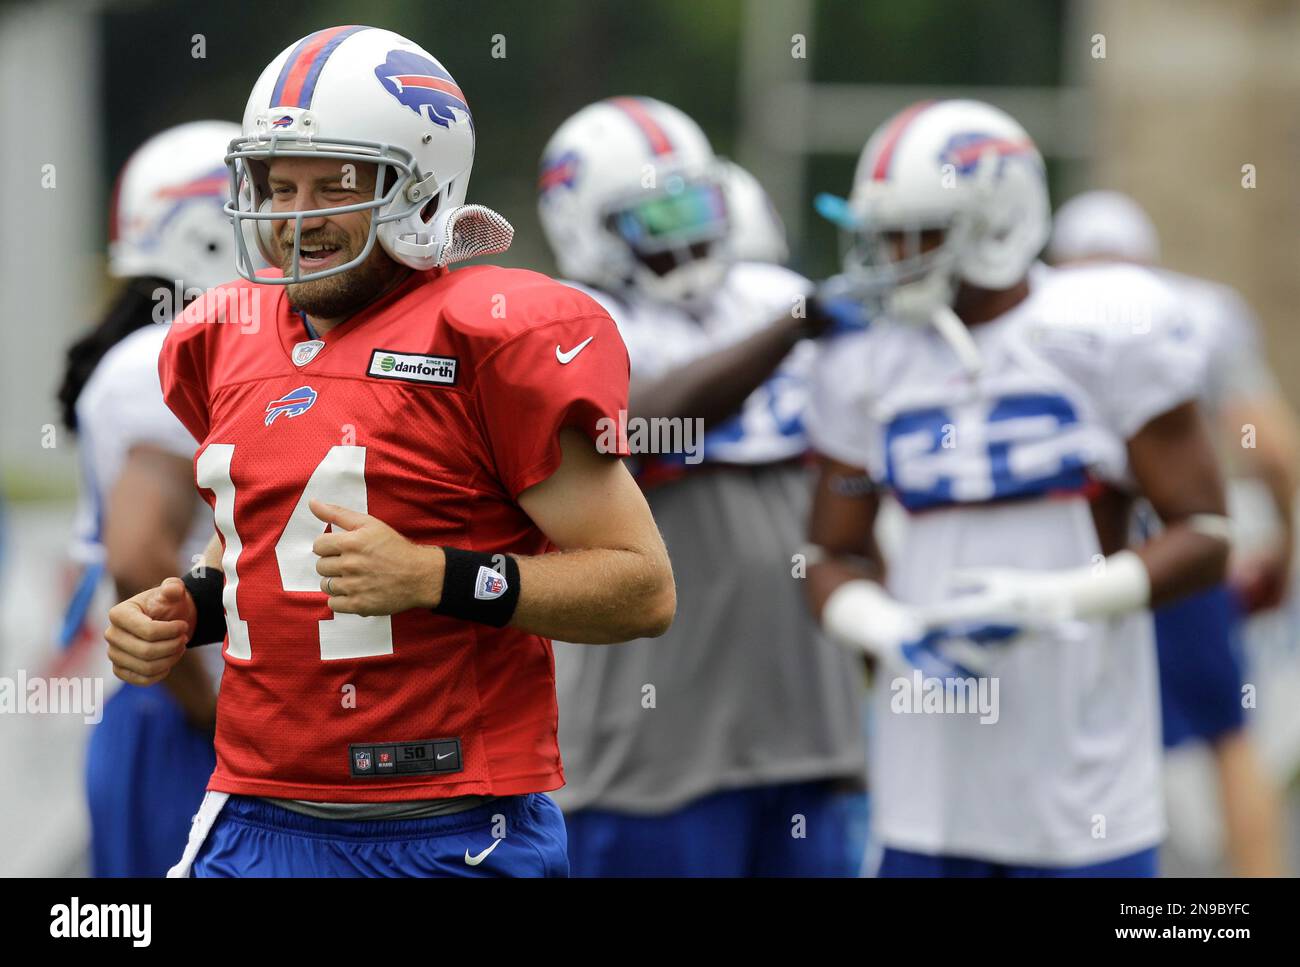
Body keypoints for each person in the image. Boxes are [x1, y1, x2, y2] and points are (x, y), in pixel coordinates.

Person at [103, 26, 674, 879]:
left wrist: (436, 577)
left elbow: (641, 586)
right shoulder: (222, 337)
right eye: (274, 183)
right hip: (255, 814)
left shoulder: (487, 338)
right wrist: (189, 606)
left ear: (423, 184)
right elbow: (266, 545)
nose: (296, 214)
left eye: (333, 183)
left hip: (448, 826)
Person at [804, 99, 1230, 876]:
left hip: (1083, 786)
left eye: (919, 230)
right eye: (883, 231)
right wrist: (887, 625)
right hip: (925, 793)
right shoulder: (866, 357)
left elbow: (1206, 535)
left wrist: (1057, 600)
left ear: (1000, 222)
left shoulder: (1105, 329)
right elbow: (829, 553)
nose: (891, 253)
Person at [538, 96, 867, 876]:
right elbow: (640, 421)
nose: (683, 235)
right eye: (652, 219)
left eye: (693, 206)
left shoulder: (766, 295)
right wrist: (790, 328)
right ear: (587, 229)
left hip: (806, 730)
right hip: (651, 752)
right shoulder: (570, 326)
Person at [1050, 189, 1292, 876]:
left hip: (1062, 554)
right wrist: (1283, 551)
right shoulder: (1198, 311)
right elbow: (1272, 450)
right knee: (1229, 738)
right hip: (1176, 547)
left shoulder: (1029, 314)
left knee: (1055, 739)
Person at [59, 121, 238, 876]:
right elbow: (139, 555)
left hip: (158, 710)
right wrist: (216, 715)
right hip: (183, 719)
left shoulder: (154, 347)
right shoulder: (170, 355)